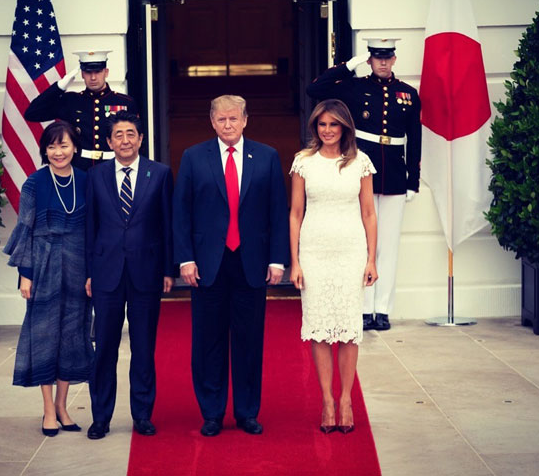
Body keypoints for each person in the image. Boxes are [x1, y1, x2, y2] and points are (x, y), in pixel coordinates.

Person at [173, 95, 289, 437]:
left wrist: (277, 259)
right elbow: (182, 213)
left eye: (234, 119)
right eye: (221, 120)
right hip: (208, 265)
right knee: (208, 341)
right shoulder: (194, 157)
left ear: (245, 120)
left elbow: (277, 212)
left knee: (249, 340)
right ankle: (211, 412)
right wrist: (186, 258)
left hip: (251, 263)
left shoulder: (266, 156)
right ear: (212, 121)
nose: (228, 125)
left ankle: (247, 412)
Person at [306, 38, 421, 331]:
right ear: (369, 60)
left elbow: (415, 139)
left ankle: (382, 309)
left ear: (394, 60)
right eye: (376, 58)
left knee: (388, 244)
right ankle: (364, 308)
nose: (383, 63)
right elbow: (314, 89)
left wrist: (413, 179)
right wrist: (347, 66)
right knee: (364, 242)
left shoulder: (408, 94)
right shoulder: (354, 87)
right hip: (360, 171)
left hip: (394, 172)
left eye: (387, 58)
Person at [289, 99, 378, 434]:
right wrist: (295, 261)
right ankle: (327, 399)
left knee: (349, 330)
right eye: (322, 125)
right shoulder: (303, 162)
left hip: (351, 252)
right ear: (315, 127)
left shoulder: (360, 163)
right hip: (314, 252)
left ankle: (346, 400)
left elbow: (369, 213)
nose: (327, 130)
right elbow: (295, 214)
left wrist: (371, 258)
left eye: (334, 125)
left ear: (345, 128)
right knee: (321, 327)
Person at [85, 111, 174, 439]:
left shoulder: (160, 173)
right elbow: (89, 228)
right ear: (109, 142)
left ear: (140, 139)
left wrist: (168, 269)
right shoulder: (95, 176)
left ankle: (142, 414)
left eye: (130, 134)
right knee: (104, 347)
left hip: (146, 273)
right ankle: (101, 418)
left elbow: (167, 224)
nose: (125, 140)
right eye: (118, 135)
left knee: (143, 347)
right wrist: (89, 272)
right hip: (106, 273)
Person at [4, 121, 94, 437]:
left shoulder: (86, 181)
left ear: (74, 148)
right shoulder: (34, 183)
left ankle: (62, 406)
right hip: (43, 265)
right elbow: (26, 230)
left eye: (64, 145)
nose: (58, 152)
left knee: (71, 336)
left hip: (78, 267)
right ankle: (46, 410)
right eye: (52, 146)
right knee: (44, 337)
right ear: (45, 150)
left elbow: (93, 232)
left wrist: (92, 273)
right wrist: (25, 276)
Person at [24, 50, 139, 171]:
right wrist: (59, 86)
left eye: (98, 72)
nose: (93, 77)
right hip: (80, 169)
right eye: (88, 72)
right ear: (82, 74)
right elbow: (32, 113)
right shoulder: (71, 101)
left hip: (113, 168)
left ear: (106, 72)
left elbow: (137, 139)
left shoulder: (124, 102)